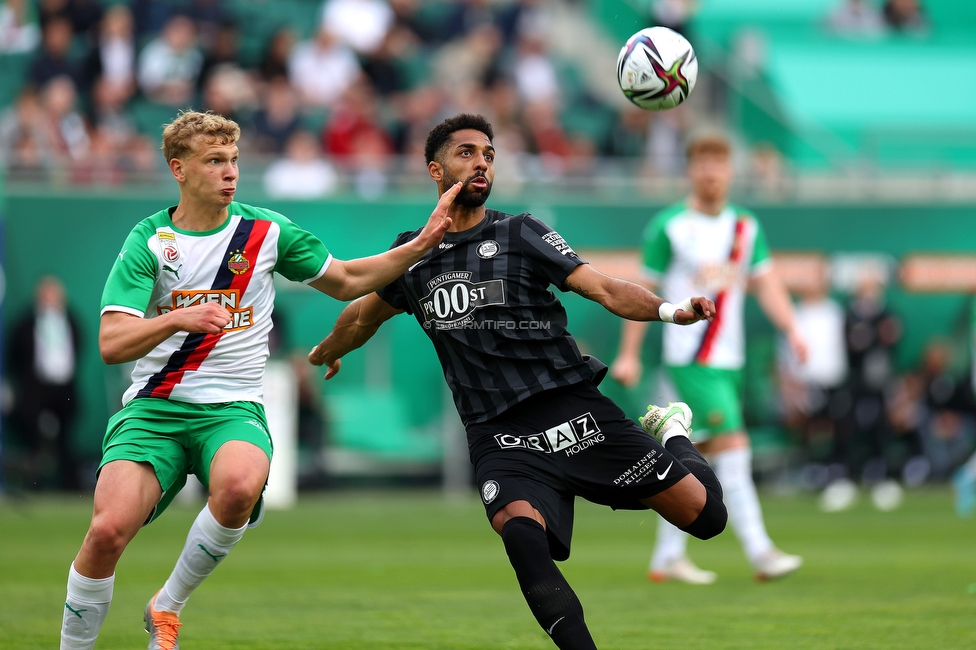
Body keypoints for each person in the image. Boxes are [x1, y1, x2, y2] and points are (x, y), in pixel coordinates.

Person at [308, 113, 728, 650]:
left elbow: (602, 288)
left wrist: (672, 311)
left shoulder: (521, 232)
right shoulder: (412, 256)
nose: (481, 161)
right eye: (466, 153)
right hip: (498, 433)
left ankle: (670, 432)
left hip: (571, 409)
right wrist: (330, 349)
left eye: (488, 153)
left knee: (708, 518)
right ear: (434, 169)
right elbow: (363, 316)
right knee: (522, 539)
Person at [59, 109, 457, 650]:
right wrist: (177, 316)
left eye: (234, 161)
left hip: (232, 408)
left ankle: (167, 607)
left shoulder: (266, 231)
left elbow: (344, 281)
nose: (230, 172)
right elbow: (111, 344)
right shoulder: (150, 241)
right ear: (178, 169)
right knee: (106, 533)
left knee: (241, 486)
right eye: (214, 161)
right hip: (155, 408)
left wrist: (419, 246)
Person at [610, 130, 807, 584]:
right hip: (692, 356)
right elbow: (640, 293)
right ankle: (761, 553)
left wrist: (793, 328)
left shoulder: (745, 227)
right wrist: (629, 353)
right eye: (703, 162)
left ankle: (667, 557)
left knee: (688, 456)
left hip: (729, 359)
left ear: (731, 170)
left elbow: (768, 283)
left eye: (719, 162)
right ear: (690, 169)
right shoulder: (670, 226)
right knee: (735, 449)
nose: (712, 171)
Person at [6, 275, 83, 491]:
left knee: (66, 439)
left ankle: (70, 485)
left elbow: (78, 348)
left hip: (64, 387)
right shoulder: (26, 323)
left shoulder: (71, 321)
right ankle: (34, 482)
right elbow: (16, 353)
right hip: (36, 388)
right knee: (32, 435)